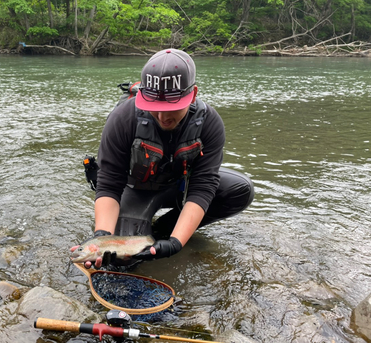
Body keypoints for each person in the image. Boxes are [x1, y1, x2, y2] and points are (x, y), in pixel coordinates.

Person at [74, 48, 254, 268]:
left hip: (177, 188)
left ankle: (164, 229)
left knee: (240, 190)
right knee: (123, 262)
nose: (162, 117)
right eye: (154, 108)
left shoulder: (209, 123)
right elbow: (109, 184)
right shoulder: (123, 118)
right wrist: (102, 237)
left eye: (171, 107)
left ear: (193, 94)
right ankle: (142, 228)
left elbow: (203, 186)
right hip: (135, 190)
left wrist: (175, 242)